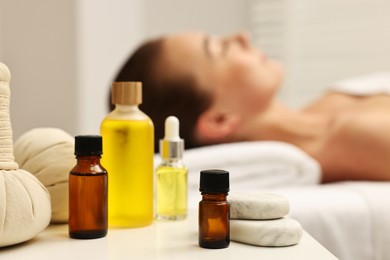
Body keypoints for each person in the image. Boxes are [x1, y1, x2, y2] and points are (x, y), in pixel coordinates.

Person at [113, 31, 390, 183]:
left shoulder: (331, 102)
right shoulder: (353, 139)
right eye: (221, 49)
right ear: (219, 120)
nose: (242, 37)